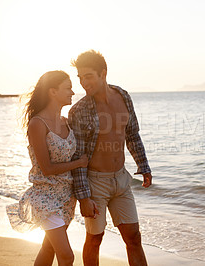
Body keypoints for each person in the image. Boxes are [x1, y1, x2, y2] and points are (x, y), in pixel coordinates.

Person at [68, 50, 152, 266]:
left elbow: (132, 134)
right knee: (95, 239)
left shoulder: (123, 96)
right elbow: (78, 158)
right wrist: (84, 197)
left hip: (122, 180)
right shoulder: (79, 111)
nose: (83, 83)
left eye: (89, 76)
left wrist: (143, 165)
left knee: (133, 237)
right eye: (80, 78)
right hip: (95, 182)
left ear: (103, 73)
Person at [6, 70, 88, 266]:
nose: (72, 92)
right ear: (52, 92)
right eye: (67, 88)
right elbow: (46, 168)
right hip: (45, 197)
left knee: (48, 248)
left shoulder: (65, 122)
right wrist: (78, 163)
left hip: (67, 197)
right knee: (67, 256)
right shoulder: (37, 124)